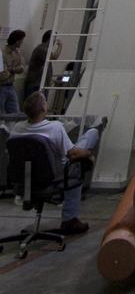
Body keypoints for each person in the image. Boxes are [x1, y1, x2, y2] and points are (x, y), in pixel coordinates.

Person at [8, 91, 102, 235]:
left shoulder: (17, 129)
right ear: (44, 109)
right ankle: (70, 220)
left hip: (25, 181)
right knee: (90, 137)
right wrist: (89, 154)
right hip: (52, 177)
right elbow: (73, 154)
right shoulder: (55, 127)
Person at [23, 30, 60, 100]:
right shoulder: (41, 49)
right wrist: (60, 46)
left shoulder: (45, 50)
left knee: (40, 107)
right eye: (54, 39)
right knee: (34, 107)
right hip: (35, 84)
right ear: (50, 39)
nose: (54, 42)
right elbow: (54, 57)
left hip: (41, 84)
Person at [0, 29, 25, 113]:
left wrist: (12, 70)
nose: (22, 42)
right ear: (17, 41)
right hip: (1, 87)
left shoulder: (17, 52)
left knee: (15, 113)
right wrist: (14, 70)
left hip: (10, 86)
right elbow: (2, 75)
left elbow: (21, 67)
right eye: (22, 40)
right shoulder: (2, 53)